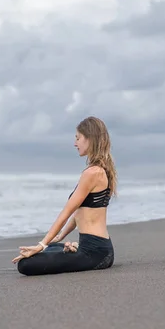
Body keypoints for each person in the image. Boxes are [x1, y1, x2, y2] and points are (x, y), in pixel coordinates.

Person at [12, 116, 118, 276]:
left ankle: (69, 249)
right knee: (54, 246)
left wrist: (41, 244)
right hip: (101, 249)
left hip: (94, 254)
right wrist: (60, 236)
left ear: (90, 139)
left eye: (78, 138)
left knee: (25, 264)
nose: (75, 143)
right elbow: (80, 213)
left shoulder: (92, 173)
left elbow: (67, 212)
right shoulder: (101, 170)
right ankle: (71, 247)